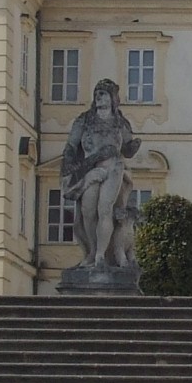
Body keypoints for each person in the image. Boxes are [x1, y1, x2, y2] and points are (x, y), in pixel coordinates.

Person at [60, 79, 141, 269]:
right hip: (90, 169)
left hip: (114, 167)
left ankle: (100, 255)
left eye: (103, 93)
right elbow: (71, 146)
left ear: (113, 98)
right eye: (96, 93)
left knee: (105, 209)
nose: (98, 96)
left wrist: (134, 146)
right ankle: (92, 250)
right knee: (88, 212)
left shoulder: (120, 122)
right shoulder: (84, 120)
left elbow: (127, 149)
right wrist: (70, 164)